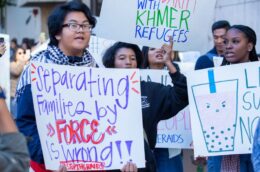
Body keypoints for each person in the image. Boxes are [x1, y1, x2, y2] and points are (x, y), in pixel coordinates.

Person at [15, 1, 97, 171]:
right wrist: (49, 157)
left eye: (85, 25)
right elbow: (25, 122)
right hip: (48, 165)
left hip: (90, 163)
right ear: (57, 33)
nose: (81, 30)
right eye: (73, 25)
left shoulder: (96, 70)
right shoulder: (37, 70)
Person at [102, 40, 188, 171]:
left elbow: (183, 95)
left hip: (142, 165)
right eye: (122, 58)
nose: (128, 62)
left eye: (133, 58)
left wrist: (169, 63)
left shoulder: (149, 90)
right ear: (111, 63)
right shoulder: (99, 90)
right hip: (107, 163)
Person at [207, 25, 258, 172]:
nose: (228, 46)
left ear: (249, 46)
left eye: (235, 42)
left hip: (254, 150)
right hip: (222, 152)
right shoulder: (212, 78)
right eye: (226, 42)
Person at [142, 44, 183, 172]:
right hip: (146, 142)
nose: (158, 50)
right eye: (152, 48)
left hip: (171, 143)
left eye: (162, 48)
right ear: (144, 54)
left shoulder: (178, 76)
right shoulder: (135, 79)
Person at [10, 47, 29, 118]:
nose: (22, 55)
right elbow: (16, 71)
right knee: (15, 117)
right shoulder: (12, 64)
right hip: (14, 96)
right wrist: (23, 61)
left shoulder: (25, 64)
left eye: (23, 53)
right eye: (19, 53)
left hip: (23, 96)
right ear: (15, 55)